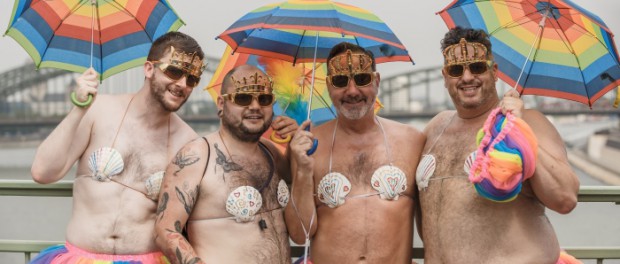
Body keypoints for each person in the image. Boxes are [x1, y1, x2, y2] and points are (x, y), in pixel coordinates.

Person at [30, 31, 205, 263]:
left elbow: (195, 220)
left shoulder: (189, 143)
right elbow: (43, 172)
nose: (182, 84)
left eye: (192, 79)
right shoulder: (99, 110)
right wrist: (79, 108)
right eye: (174, 71)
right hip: (80, 257)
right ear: (149, 69)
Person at [415, 27, 581, 263]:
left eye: (477, 67)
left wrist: (520, 130)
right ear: (445, 77)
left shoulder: (527, 122)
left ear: (494, 72)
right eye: (456, 70)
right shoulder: (435, 129)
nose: (467, 77)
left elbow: (565, 198)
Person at [285, 42, 426, 263]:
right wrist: (302, 170)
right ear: (329, 87)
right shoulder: (310, 145)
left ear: (376, 81)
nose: (352, 91)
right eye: (341, 82)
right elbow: (298, 233)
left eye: (362, 79)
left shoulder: (412, 141)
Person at [154, 65, 298, 264]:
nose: (255, 106)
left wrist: (296, 143)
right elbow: (166, 230)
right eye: (243, 98)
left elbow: (300, 191)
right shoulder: (197, 155)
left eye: (264, 99)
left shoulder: (271, 152)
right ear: (221, 103)